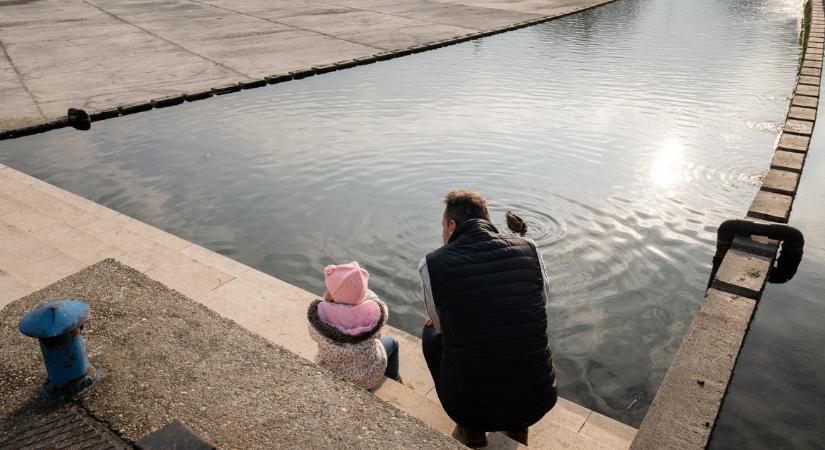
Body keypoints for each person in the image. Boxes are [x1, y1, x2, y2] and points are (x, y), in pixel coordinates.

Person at [419, 190, 557, 447]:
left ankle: (471, 432)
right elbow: (540, 305)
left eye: (442, 226)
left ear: (451, 225)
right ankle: (517, 431)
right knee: (519, 329)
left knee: (431, 336)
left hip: (469, 404)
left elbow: (440, 325)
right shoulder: (530, 249)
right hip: (538, 396)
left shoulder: (431, 265)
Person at [308, 262, 400, 390]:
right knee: (393, 343)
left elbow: (325, 302)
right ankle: (394, 377)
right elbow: (375, 300)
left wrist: (328, 297)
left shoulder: (318, 318)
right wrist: (357, 291)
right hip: (368, 377)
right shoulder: (374, 314)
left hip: (328, 372)